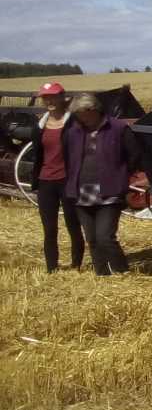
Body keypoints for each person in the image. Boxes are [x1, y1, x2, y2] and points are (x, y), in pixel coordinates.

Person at [63, 94, 142, 276]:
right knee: (92, 238)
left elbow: (134, 155)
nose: (79, 118)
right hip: (81, 191)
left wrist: (120, 174)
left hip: (110, 190)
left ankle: (121, 270)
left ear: (93, 111)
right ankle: (102, 273)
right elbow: (68, 159)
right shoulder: (73, 132)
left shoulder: (118, 128)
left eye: (81, 113)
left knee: (105, 236)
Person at [26, 82, 84, 272]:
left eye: (53, 96)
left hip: (67, 180)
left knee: (73, 224)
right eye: (45, 97)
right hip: (45, 181)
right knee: (49, 228)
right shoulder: (39, 126)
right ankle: (52, 267)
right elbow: (38, 154)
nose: (49, 101)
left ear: (62, 98)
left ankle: (76, 265)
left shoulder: (74, 124)